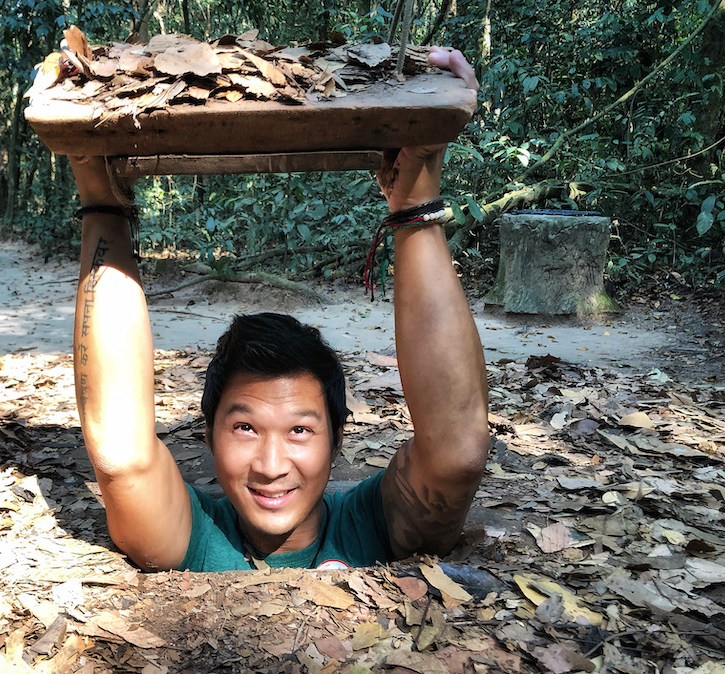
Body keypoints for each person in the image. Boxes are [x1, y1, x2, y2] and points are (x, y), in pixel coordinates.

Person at [68, 47, 488, 572]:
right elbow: (122, 458)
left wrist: (415, 206)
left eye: (300, 431)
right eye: (244, 428)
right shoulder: (193, 535)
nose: (271, 466)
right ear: (208, 436)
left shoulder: (368, 528)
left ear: (337, 442)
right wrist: (99, 198)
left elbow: (459, 453)